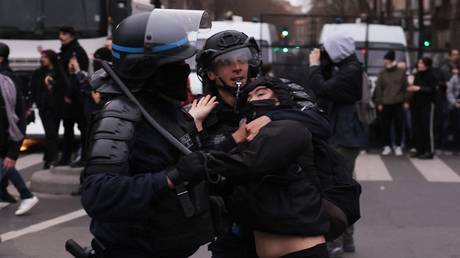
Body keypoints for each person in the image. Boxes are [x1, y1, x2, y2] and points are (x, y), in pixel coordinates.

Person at [80, 10, 215, 258]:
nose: (184, 71)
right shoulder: (121, 115)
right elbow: (98, 193)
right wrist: (171, 178)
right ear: (145, 69)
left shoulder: (163, 107)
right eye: (175, 65)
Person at [195, 30, 333, 258]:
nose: (237, 67)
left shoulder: (278, 91)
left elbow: (322, 126)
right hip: (234, 233)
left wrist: (271, 116)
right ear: (211, 73)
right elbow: (199, 167)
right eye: (226, 63)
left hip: (291, 228)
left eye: (242, 59)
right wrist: (199, 126)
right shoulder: (202, 112)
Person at [307, 31, 367, 257]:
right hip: (346, 136)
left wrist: (313, 66)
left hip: (345, 137)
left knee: (337, 188)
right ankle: (346, 240)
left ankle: (336, 242)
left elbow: (321, 89)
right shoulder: (349, 67)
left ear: (336, 49)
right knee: (345, 186)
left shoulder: (350, 72)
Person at [0, 42, 39, 215]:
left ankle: (26, 195)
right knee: (5, 166)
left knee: (5, 164)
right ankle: (25, 194)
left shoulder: (6, 81)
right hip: (5, 137)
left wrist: (13, 151)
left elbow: (15, 115)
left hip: (6, 136)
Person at [57, 26, 89, 166]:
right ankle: (66, 157)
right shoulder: (65, 52)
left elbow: (77, 75)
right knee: (68, 127)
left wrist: (69, 94)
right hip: (67, 97)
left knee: (82, 128)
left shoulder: (76, 53)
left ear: (71, 36)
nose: (60, 36)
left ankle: (83, 158)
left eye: (64, 34)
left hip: (76, 98)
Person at [30, 50, 66, 169]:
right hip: (44, 108)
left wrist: (52, 84)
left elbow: (63, 87)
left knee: (53, 134)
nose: (43, 59)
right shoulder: (38, 73)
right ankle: (53, 159)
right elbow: (34, 90)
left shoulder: (59, 72)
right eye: (42, 57)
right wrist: (38, 103)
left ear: (51, 58)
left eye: (45, 57)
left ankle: (47, 160)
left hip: (56, 107)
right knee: (51, 134)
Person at [374, 50, 408, 156]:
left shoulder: (401, 72)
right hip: (385, 103)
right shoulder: (382, 73)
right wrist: (379, 102)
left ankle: (398, 146)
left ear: (391, 60)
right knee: (385, 126)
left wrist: (406, 100)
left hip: (398, 103)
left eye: (386, 60)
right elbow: (378, 89)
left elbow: (405, 88)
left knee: (399, 125)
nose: (384, 62)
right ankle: (387, 146)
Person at [407, 57, 438, 159]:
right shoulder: (416, 74)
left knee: (427, 128)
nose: (419, 64)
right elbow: (412, 87)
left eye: (421, 63)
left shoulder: (431, 75)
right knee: (417, 128)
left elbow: (433, 90)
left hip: (427, 105)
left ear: (426, 65)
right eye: (419, 63)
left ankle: (429, 151)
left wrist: (419, 88)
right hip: (416, 104)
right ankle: (420, 149)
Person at [446, 68, 460, 153]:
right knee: (456, 126)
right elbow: (449, 92)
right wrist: (454, 102)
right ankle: (456, 147)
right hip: (456, 104)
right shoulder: (454, 78)